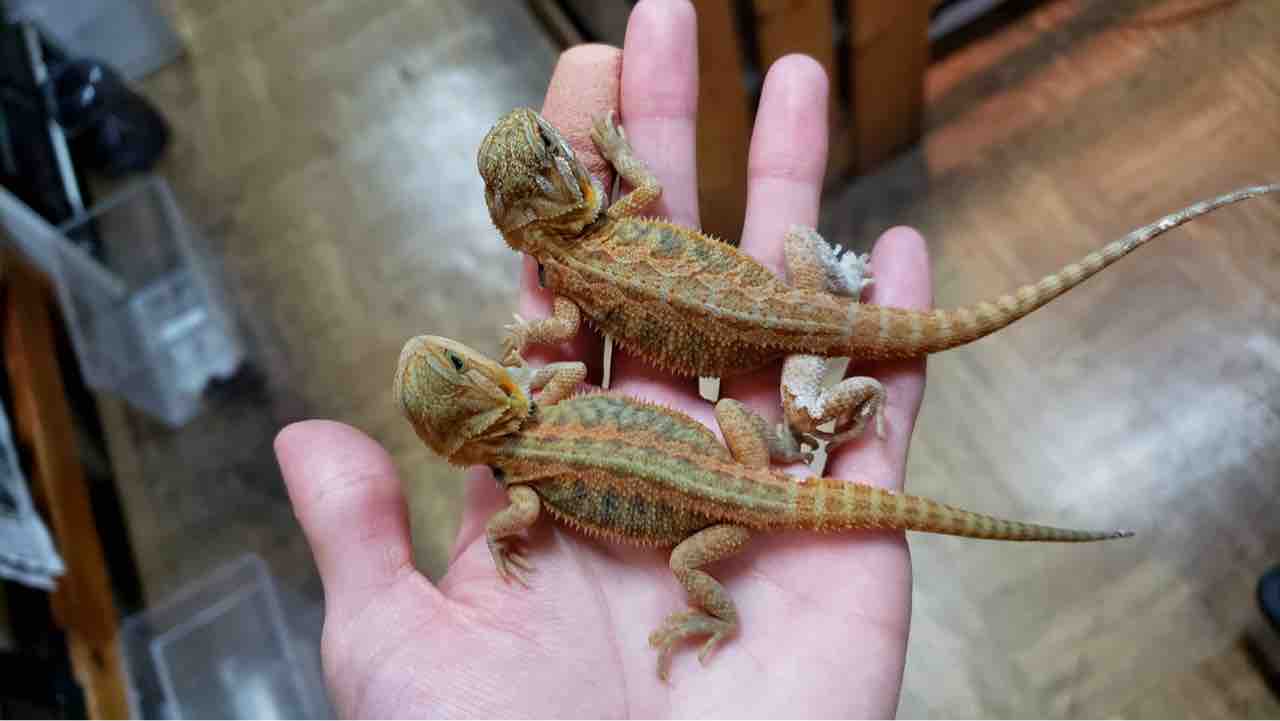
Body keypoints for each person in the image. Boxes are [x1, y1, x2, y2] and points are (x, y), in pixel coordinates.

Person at [273, 0, 931, 715]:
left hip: (729, 454)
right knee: (737, 431)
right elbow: (572, 365)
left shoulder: (527, 475)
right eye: (460, 366)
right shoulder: (546, 413)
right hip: (735, 448)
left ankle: (785, 464)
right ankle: (793, 446)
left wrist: (533, 367)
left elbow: (557, 396)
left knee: (701, 518)